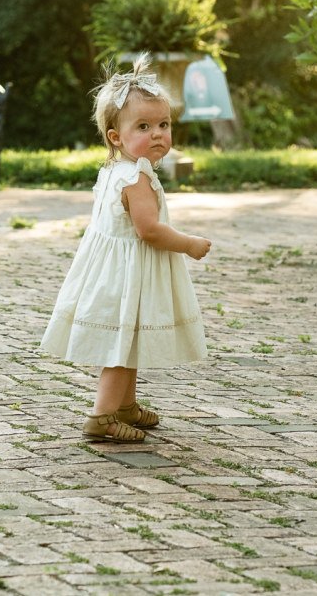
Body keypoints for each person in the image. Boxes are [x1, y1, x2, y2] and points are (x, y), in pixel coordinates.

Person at [40, 54, 212, 442]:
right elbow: (149, 230)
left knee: (128, 339)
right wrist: (188, 244)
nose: (157, 134)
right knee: (120, 348)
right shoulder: (136, 177)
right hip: (127, 275)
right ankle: (101, 416)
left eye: (164, 125)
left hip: (113, 272)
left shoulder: (116, 169)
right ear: (116, 137)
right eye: (144, 126)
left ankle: (124, 406)